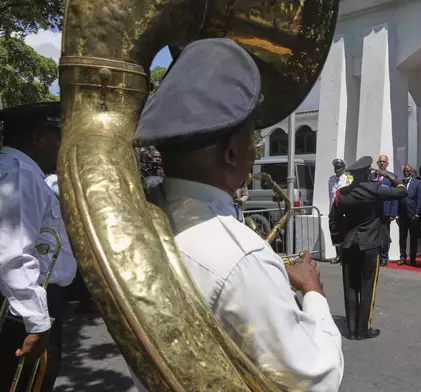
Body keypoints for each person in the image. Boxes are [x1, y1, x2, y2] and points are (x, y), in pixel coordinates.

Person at [131, 39, 343, 391]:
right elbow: (315, 379)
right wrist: (313, 292)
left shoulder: (138, 217)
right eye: (252, 141)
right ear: (231, 153)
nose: (254, 150)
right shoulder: (241, 259)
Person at [0, 102, 77, 391]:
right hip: (23, 308)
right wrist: (36, 321)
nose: (62, 147)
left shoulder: (18, 171)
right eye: (59, 138)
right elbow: (13, 255)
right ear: (38, 138)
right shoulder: (20, 174)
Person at [329, 156, 407, 340]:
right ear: (367, 173)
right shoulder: (376, 188)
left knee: (350, 287)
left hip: (349, 244)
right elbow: (402, 191)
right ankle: (363, 329)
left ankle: (352, 327)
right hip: (370, 244)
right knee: (367, 286)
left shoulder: (342, 194)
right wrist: (387, 174)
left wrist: (339, 243)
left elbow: (334, 220)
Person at [372, 155, 397, 266]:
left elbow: (394, 195)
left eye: (384, 162)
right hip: (373, 211)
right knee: (374, 234)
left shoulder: (391, 177)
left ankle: (384, 257)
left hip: (386, 210)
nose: (382, 163)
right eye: (380, 162)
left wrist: (393, 212)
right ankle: (375, 255)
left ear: (387, 164)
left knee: (385, 235)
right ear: (377, 163)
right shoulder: (371, 175)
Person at [396, 164, 421, 266]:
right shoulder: (400, 183)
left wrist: (417, 214)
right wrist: (397, 215)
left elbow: (420, 199)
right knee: (402, 238)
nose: (406, 172)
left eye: (408, 171)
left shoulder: (417, 183)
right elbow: (397, 199)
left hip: (413, 216)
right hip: (402, 215)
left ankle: (412, 258)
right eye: (404, 171)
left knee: (413, 239)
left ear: (411, 172)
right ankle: (402, 257)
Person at [328, 158, 352, 264]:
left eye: (339, 168)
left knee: (346, 232)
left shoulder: (348, 179)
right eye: (336, 167)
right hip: (334, 209)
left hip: (345, 209)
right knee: (335, 232)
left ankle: (346, 256)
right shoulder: (331, 180)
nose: (337, 169)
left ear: (343, 168)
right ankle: (338, 255)